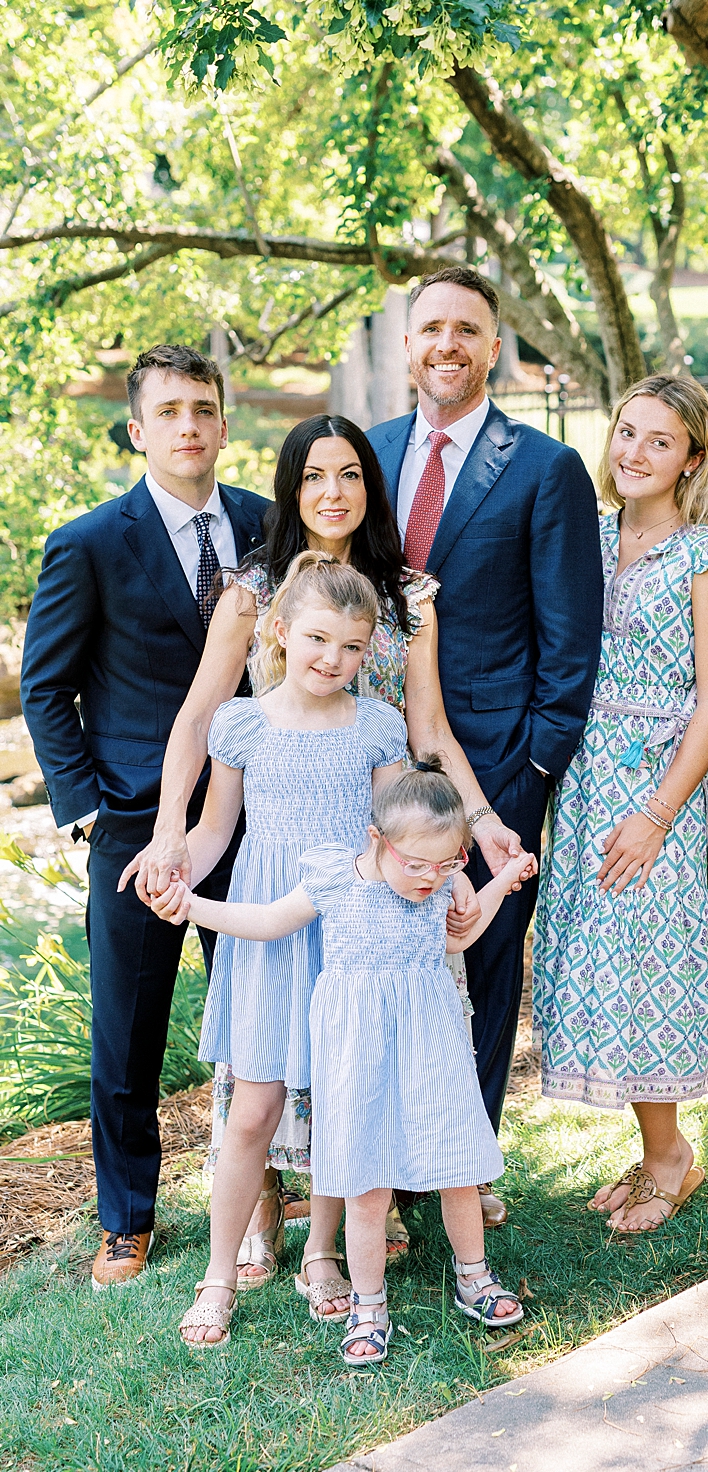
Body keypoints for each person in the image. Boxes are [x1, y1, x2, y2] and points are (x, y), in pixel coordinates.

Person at [124, 411, 508, 1269]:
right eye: (312, 476)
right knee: (264, 1064)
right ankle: (260, 1217)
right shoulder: (254, 592)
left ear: (370, 488)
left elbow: (429, 731)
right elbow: (201, 721)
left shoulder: (407, 595)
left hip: (371, 858)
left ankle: (362, 1216)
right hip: (275, 863)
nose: (331, 493)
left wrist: (479, 828)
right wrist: (169, 838)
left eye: (350, 475)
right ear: (290, 488)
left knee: (359, 1054)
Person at [20, 343, 267, 1291]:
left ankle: (266, 1199)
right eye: (168, 413)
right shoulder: (89, 541)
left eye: (202, 408)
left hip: (250, 811)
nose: (189, 426)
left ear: (222, 422)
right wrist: (85, 813)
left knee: (260, 1015)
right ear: (138, 429)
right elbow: (46, 690)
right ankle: (127, 1219)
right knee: (127, 1032)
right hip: (132, 824)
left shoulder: (264, 524)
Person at [151, 763, 536, 1364]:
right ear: (379, 839)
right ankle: (368, 1305)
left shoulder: (435, 888)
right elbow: (268, 921)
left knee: (457, 1166)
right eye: (417, 864)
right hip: (358, 1058)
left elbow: (459, 937)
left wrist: (503, 876)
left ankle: (475, 1277)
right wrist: (193, 907)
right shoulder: (336, 879)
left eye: (447, 865)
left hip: (430, 1048)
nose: (432, 879)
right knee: (366, 1183)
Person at [366, 265, 603, 1215]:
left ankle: (467, 1163)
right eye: (431, 329)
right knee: (383, 954)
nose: (447, 346)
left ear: (494, 347)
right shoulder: (367, 456)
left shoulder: (545, 467)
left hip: (498, 756)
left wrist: (537, 767)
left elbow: (569, 636)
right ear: (409, 344)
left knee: (487, 962)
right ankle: (384, 1161)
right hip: (381, 751)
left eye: (467, 329)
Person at [165, 554, 414, 1345]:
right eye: (316, 639)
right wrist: (178, 874)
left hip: (352, 933)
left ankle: (323, 1252)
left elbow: (397, 834)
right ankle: (216, 1275)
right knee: (255, 1110)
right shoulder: (242, 725)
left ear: (369, 650)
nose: (332, 660)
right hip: (269, 934)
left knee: (343, 1102)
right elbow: (214, 832)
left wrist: (444, 887)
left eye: (350, 646)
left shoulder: (377, 725)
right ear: (277, 631)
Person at [534, 374, 708, 1233]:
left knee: (651, 962)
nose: (636, 453)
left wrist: (658, 814)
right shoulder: (580, 536)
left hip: (656, 781)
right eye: (627, 432)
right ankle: (655, 1148)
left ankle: (671, 1159)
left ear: (692, 458)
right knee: (600, 967)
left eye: (660, 441)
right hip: (583, 780)